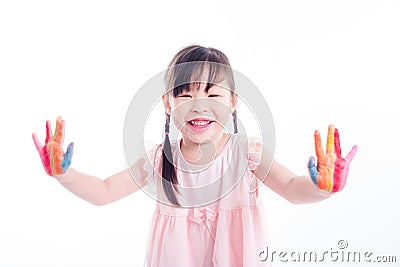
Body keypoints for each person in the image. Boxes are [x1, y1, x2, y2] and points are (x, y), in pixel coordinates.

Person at [32, 45, 357, 267]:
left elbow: (292, 188)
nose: (199, 105)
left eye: (212, 94)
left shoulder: (248, 153)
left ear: (232, 102)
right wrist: (63, 173)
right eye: (185, 94)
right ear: (167, 104)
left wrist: (323, 187)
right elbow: (103, 192)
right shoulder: (161, 160)